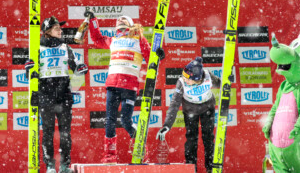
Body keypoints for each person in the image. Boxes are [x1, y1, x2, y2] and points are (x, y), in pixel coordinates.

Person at [87, 12, 165, 163]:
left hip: (129, 86)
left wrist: (159, 55)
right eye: (118, 20)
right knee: (109, 121)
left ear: (130, 25)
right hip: (112, 85)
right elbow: (97, 39)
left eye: (124, 19)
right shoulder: (113, 40)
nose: (120, 20)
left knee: (126, 121)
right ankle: (110, 156)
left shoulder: (138, 40)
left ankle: (141, 151)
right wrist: (92, 21)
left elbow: (151, 59)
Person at [25, 16, 88, 173]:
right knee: (48, 132)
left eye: (60, 28)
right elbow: (30, 75)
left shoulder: (66, 48)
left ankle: (65, 166)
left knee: (65, 132)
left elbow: (76, 67)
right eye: (56, 28)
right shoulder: (37, 48)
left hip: (63, 95)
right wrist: (28, 69)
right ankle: (50, 166)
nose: (60, 30)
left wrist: (81, 70)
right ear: (47, 31)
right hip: (45, 94)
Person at [156, 57, 221, 173]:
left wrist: (227, 81)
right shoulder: (181, 82)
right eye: (184, 76)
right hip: (190, 111)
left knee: (208, 139)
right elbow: (174, 104)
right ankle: (191, 168)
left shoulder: (207, 76)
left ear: (197, 79)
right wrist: (167, 125)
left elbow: (220, 83)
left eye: (188, 78)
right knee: (191, 140)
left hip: (208, 109)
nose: (185, 80)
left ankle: (211, 168)